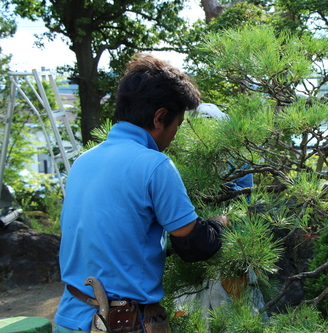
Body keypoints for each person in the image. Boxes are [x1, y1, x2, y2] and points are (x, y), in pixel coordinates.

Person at [54, 53, 229, 333]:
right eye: (178, 125)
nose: (174, 136)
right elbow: (193, 245)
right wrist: (220, 224)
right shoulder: (155, 164)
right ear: (160, 117)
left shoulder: (83, 161)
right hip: (119, 324)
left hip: (70, 318)